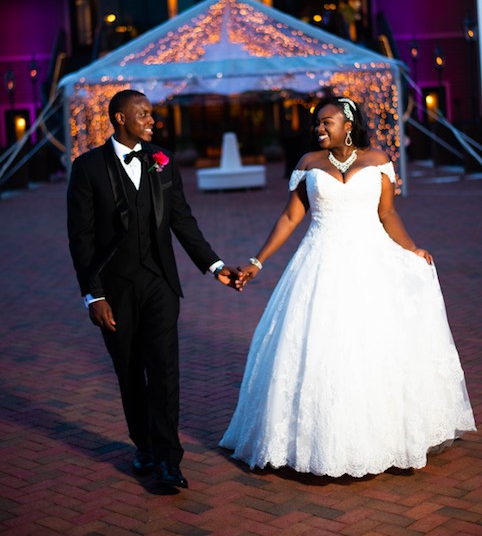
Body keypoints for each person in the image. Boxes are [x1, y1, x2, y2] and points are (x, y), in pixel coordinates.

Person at [220, 96, 475, 477]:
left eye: (327, 123)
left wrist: (412, 248)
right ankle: (313, 444)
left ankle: (382, 439)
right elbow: (291, 216)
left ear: (348, 125)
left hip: (372, 260)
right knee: (319, 344)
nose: (318, 129)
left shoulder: (378, 161)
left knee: (373, 343)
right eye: (317, 124)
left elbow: (387, 213)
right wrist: (258, 261)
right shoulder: (309, 163)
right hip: (318, 263)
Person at [67, 89, 240, 489]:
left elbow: (182, 220)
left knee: (164, 373)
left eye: (152, 113)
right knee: (130, 373)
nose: (152, 120)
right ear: (119, 118)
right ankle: (143, 445)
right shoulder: (88, 168)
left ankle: (168, 460)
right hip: (115, 289)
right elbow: (81, 238)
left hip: (161, 283)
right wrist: (94, 295)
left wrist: (214, 266)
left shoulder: (162, 161)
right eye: (143, 113)